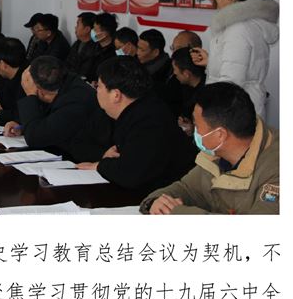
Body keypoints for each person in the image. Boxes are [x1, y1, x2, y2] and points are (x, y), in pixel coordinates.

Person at [141, 82, 279, 215]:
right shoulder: (215, 156)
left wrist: (178, 213)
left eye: (196, 125)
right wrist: (156, 202)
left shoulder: (276, 167)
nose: (194, 131)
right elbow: (186, 189)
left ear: (220, 135)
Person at [76, 57, 196, 194]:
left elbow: (130, 174)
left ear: (116, 95)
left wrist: (101, 166)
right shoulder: (137, 109)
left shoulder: (149, 120)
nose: (96, 91)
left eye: (99, 86)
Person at [190, 0, 279, 118]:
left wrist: (210, 116)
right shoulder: (245, 25)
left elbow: (230, 84)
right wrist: (210, 61)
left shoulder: (238, 29)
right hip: (242, 108)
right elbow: (240, 66)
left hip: (234, 114)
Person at [5, 55, 110, 162]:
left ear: (39, 89)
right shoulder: (63, 85)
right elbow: (47, 122)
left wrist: (30, 95)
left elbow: (35, 138)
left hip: (88, 161)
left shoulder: (76, 100)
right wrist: (22, 126)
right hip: (64, 153)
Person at [170, 46, 206, 133]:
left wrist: (193, 130)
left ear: (186, 74)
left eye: (175, 69)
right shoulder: (182, 87)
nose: (174, 73)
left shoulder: (205, 96)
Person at [66, 12, 99, 82]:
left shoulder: (96, 48)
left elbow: (85, 73)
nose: (75, 27)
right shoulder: (77, 43)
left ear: (87, 29)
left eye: (78, 24)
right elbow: (68, 63)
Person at [89, 12, 119, 80]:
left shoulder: (115, 53)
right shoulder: (92, 46)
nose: (92, 32)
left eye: (95, 30)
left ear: (105, 33)